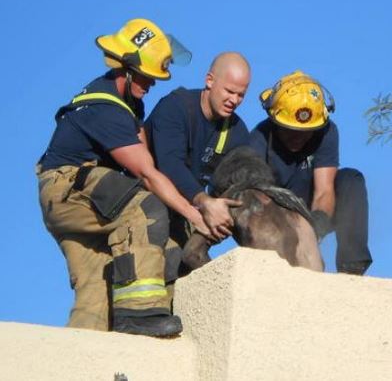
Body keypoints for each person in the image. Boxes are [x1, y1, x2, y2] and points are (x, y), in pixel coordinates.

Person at [36, 18, 210, 337]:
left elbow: (149, 162)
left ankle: (79, 363)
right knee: (145, 210)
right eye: (145, 76)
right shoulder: (107, 109)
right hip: (68, 187)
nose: (152, 83)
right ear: (125, 68)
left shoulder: (129, 105)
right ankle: (140, 314)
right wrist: (192, 214)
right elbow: (145, 173)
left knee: (96, 292)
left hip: (71, 203)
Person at [249, 70, 372, 275]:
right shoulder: (258, 140)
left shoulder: (327, 132)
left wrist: (315, 229)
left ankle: (352, 271)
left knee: (351, 180)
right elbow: (254, 203)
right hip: (274, 216)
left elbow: (324, 191)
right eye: (289, 130)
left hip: (311, 210)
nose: (298, 137)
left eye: (306, 133)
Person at [144, 52, 251, 277]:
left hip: (187, 215)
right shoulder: (176, 107)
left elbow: (238, 184)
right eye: (229, 91)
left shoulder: (237, 131)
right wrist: (204, 202)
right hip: (147, 203)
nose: (235, 100)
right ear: (209, 80)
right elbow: (169, 165)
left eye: (241, 95)